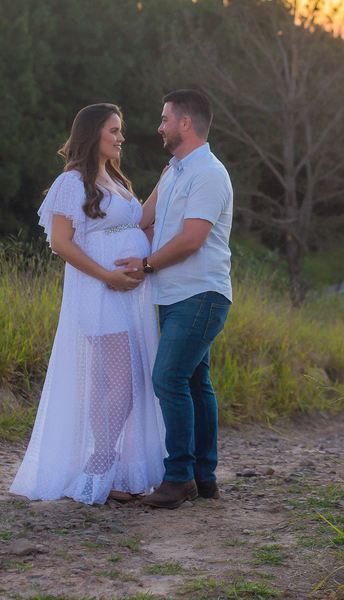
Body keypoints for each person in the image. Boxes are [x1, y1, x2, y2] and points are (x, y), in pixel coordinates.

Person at [10, 103, 167, 505]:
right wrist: (109, 276)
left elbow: (136, 221)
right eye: (113, 130)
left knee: (108, 382)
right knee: (124, 382)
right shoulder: (72, 181)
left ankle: (110, 473)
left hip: (122, 297)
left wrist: (167, 180)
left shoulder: (114, 180)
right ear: (93, 133)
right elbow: (60, 242)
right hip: (97, 294)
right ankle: (99, 466)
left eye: (121, 131)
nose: (120, 137)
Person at [116, 90, 233, 509]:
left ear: (186, 123)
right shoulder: (173, 172)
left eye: (165, 119)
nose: (159, 126)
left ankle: (179, 476)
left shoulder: (209, 174)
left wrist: (145, 264)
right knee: (196, 383)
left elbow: (192, 239)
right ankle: (204, 478)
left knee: (168, 378)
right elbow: (141, 218)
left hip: (201, 293)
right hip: (175, 295)